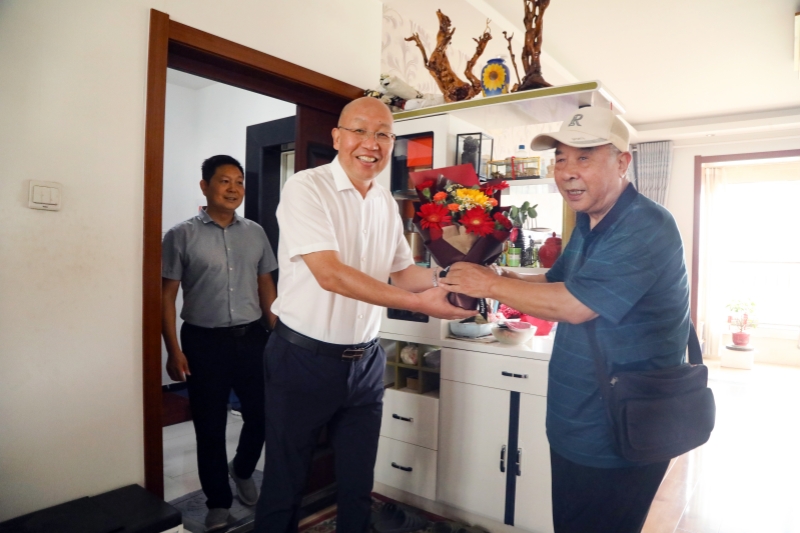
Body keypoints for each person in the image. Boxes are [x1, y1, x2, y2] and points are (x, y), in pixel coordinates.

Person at [439, 106, 690, 533]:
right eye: (560, 159)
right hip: (580, 417)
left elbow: (575, 304)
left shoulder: (645, 224)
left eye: (584, 157)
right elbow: (558, 281)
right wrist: (503, 276)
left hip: (620, 427)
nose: (567, 172)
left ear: (622, 162)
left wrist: (490, 285)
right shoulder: (591, 222)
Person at [253, 97, 475, 533]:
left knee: (358, 485)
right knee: (285, 484)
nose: (370, 143)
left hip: (366, 361)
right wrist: (418, 303)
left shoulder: (385, 202)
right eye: (359, 131)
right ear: (338, 137)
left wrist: (452, 275)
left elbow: (403, 272)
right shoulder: (306, 188)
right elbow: (330, 274)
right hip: (302, 360)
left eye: (383, 134)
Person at [162, 155, 279, 532]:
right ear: (205, 186)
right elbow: (166, 296)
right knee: (209, 426)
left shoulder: (255, 232)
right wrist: (173, 350)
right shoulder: (181, 235)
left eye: (239, 181)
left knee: (263, 414)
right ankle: (217, 501)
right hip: (203, 342)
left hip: (252, 338)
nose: (233, 189)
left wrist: (276, 334)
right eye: (224, 181)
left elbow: (265, 285)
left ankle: (242, 468)